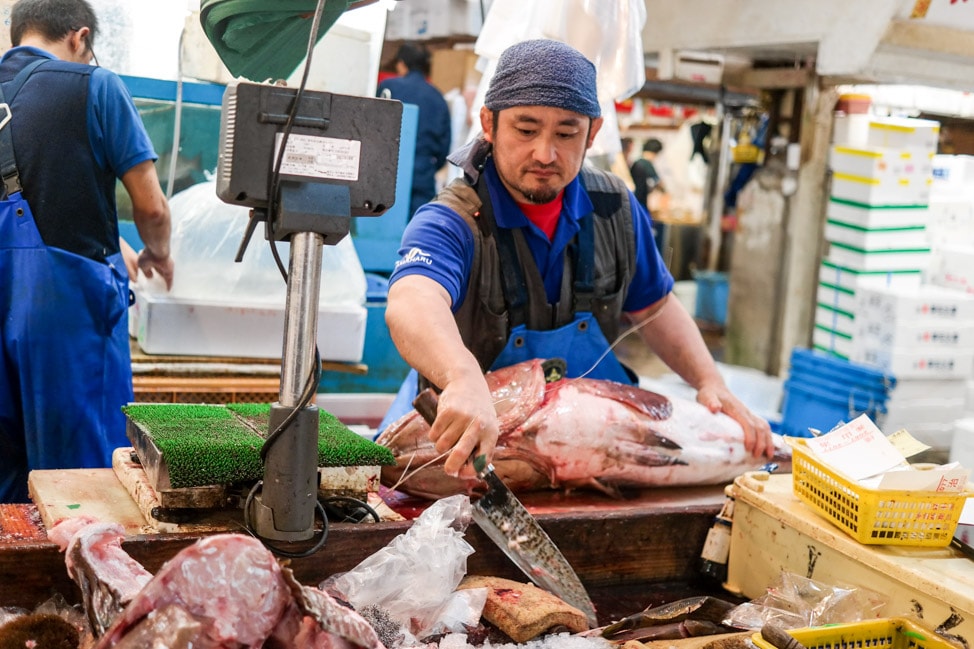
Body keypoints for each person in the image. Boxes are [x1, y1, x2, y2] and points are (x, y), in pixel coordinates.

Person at [382, 39, 773, 479]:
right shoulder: (453, 219)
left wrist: (710, 382)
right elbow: (413, 299)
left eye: (566, 133)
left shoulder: (614, 209)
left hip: (586, 459)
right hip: (464, 458)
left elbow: (656, 305)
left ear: (593, 132)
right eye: (526, 130)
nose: (545, 154)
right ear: (488, 124)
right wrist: (460, 377)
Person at [0, 0, 173, 503]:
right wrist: (157, 251)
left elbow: (29, 193)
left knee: (7, 478)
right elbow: (152, 208)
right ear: (79, 38)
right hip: (64, 312)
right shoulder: (95, 85)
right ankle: (82, 581)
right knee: (87, 479)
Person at [377, 42, 452, 219]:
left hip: (387, 176)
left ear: (401, 64)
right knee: (417, 230)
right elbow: (445, 146)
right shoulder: (438, 97)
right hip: (423, 176)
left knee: (381, 232)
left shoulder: (389, 88)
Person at [630, 137, 665, 210]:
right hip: (641, 202)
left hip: (633, 201)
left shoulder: (636, 162)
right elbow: (659, 184)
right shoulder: (647, 164)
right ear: (656, 152)